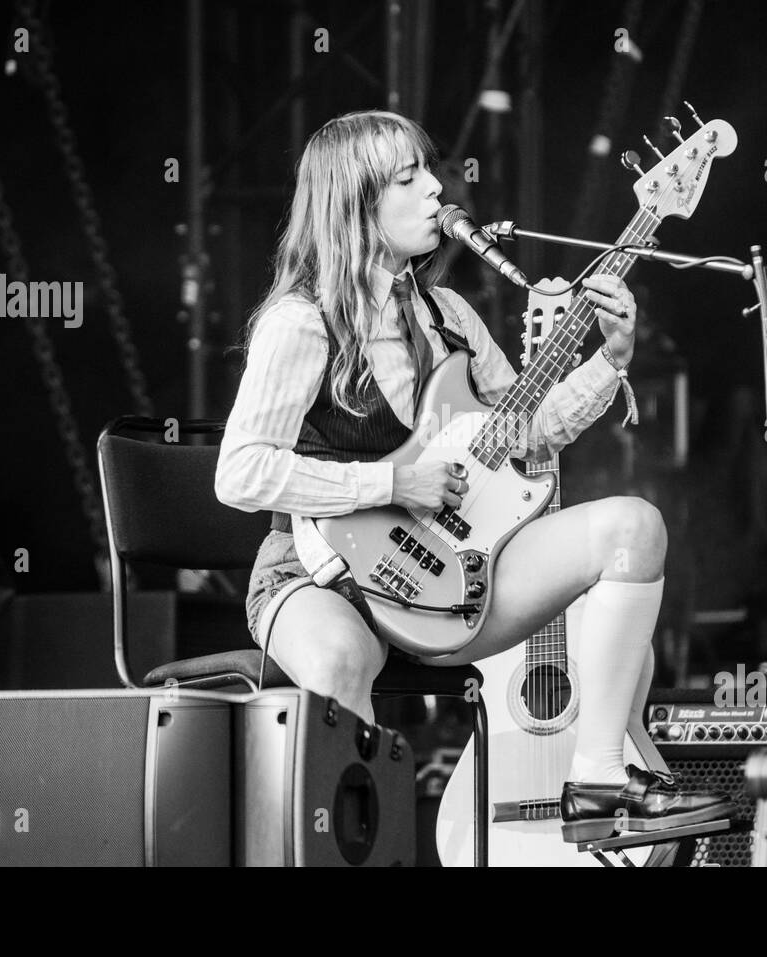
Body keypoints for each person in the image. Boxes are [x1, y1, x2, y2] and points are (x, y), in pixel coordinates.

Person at [216, 110, 729, 838]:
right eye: (409, 178)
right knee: (338, 661)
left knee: (634, 528)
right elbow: (240, 472)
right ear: (357, 202)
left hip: (454, 572)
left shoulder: (451, 315)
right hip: (316, 573)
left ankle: (600, 777)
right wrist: (394, 485)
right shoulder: (303, 322)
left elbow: (531, 428)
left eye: (432, 172)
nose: (437, 188)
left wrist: (610, 359)